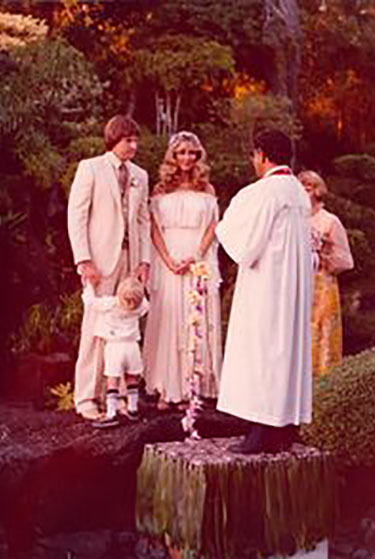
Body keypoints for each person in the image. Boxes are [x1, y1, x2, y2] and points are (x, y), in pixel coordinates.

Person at [216, 129, 313, 454]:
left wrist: (223, 225)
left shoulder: (263, 192)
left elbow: (244, 244)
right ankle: (282, 429)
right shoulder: (297, 191)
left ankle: (259, 431)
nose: (253, 161)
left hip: (267, 285)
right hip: (292, 286)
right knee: (284, 350)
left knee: (262, 350)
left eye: (254, 155)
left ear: (262, 155)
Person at [67, 115, 151, 420]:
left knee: (125, 329)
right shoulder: (90, 168)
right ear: (114, 139)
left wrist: (144, 261)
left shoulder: (140, 174)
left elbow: (143, 219)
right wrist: (83, 259)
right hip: (99, 262)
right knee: (96, 328)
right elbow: (76, 216)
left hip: (131, 261)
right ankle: (87, 398)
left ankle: (115, 398)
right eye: (129, 140)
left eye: (136, 140)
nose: (134, 146)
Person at [143, 131, 222, 409]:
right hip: (168, 260)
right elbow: (153, 228)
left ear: (198, 156)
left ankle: (191, 388)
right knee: (169, 319)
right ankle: (167, 387)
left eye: (191, 153)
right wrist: (167, 259)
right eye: (181, 152)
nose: (186, 158)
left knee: (194, 319)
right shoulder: (161, 189)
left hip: (197, 259)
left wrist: (195, 256)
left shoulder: (207, 189)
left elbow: (213, 227)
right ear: (173, 156)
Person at [298, 170, 354, 378]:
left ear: (317, 191)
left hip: (322, 286)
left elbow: (345, 260)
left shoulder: (330, 221)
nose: (305, 192)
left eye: (308, 188)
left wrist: (324, 256)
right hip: (298, 284)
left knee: (321, 333)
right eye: (301, 188)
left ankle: (323, 383)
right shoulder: (294, 220)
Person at [81, 277, 149, 428]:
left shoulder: (110, 304)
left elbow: (91, 303)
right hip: (132, 348)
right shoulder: (140, 307)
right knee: (132, 378)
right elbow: (145, 303)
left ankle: (111, 413)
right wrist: (141, 285)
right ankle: (132, 409)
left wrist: (89, 286)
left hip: (114, 347)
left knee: (113, 381)